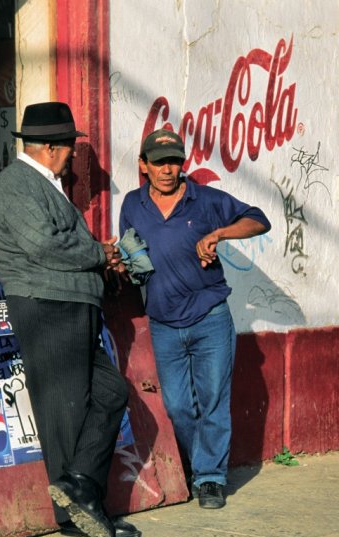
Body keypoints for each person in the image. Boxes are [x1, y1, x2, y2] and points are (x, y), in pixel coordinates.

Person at [0, 102, 139, 537]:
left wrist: (96, 258)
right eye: (70, 147)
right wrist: (99, 253)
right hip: (48, 306)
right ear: (52, 148)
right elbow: (44, 246)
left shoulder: (42, 184)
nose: (73, 154)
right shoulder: (16, 184)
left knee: (108, 393)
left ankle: (81, 491)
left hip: (67, 304)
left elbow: (54, 242)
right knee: (66, 411)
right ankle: (76, 512)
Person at [119, 129, 271, 509]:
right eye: (159, 162)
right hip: (164, 322)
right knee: (178, 406)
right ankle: (198, 463)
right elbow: (131, 251)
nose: (168, 170)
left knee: (214, 400)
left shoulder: (205, 200)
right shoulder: (132, 204)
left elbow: (259, 220)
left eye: (174, 162)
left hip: (210, 317)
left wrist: (219, 234)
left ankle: (210, 478)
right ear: (144, 165)